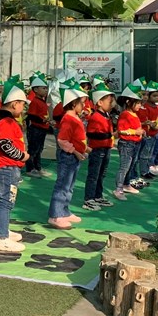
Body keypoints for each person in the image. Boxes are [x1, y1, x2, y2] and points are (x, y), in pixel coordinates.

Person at [0, 78, 29, 254]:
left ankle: (2, 230)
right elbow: (6, 145)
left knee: (3, 201)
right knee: (6, 201)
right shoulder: (6, 122)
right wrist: (22, 155)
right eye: (22, 104)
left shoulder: (6, 121)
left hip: (7, 167)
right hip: (6, 167)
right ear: (14, 104)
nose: (24, 108)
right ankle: (2, 238)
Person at [47, 84, 88, 230]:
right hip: (68, 156)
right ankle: (55, 215)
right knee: (63, 185)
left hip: (74, 156)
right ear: (73, 104)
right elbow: (62, 140)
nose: (84, 106)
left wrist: (84, 148)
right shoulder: (68, 119)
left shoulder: (74, 117)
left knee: (69, 186)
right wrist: (76, 151)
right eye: (81, 103)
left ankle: (64, 211)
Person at [81, 83, 116, 211]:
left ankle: (98, 195)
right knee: (94, 174)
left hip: (106, 148)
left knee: (102, 174)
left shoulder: (106, 115)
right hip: (97, 149)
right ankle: (88, 199)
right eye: (109, 101)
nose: (112, 104)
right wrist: (109, 135)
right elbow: (91, 134)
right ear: (100, 102)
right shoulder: (95, 117)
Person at [113, 83, 146, 199]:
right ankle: (118, 188)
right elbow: (121, 130)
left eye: (140, 103)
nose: (140, 105)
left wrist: (141, 132)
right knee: (124, 167)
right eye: (137, 103)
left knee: (131, 165)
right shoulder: (125, 114)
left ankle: (126, 184)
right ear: (128, 102)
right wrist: (135, 132)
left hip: (135, 143)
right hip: (127, 144)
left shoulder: (134, 114)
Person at [25, 74, 51, 178]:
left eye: (46, 88)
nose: (46, 90)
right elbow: (31, 115)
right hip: (36, 129)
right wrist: (43, 120)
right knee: (33, 149)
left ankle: (38, 167)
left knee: (39, 149)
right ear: (35, 89)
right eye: (43, 88)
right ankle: (30, 168)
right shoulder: (35, 102)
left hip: (42, 128)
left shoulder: (42, 101)